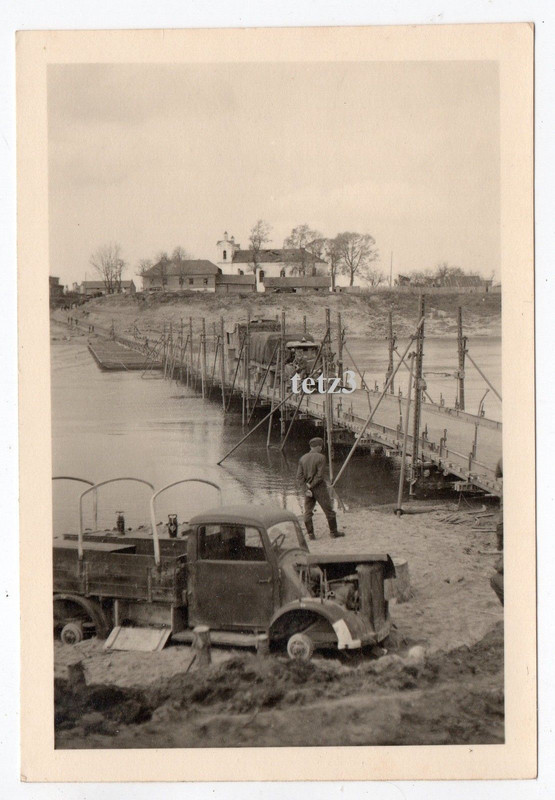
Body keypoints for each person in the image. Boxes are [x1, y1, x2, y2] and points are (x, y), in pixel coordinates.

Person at [296, 437, 344, 540]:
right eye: (321, 446)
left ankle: (311, 534)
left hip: (308, 490)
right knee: (329, 510)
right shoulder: (321, 457)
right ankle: (333, 532)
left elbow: (299, 476)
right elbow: (319, 476)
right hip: (319, 488)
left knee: (308, 512)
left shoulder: (302, 458)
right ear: (318, 447)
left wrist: (306, 488)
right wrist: (311, 485)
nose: (321, 448)